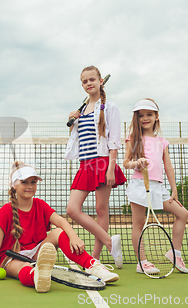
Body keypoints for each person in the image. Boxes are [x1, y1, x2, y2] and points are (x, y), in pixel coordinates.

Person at [0, 161, 119, 292]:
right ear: (14, 185)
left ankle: (93, 267)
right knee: (24, 268)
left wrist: (73, 237)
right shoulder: (5, 211)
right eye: (24, 182)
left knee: (59, 232)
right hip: (10, 258)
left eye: (33, 182)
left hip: (36, 252)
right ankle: (37, 277)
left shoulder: (40, 205)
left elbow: (61, 221)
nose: (30, 186)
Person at [64, 65, 126, 268]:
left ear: (101, 81)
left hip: (102, 163)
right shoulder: (80, 111)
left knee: (101, 210)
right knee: (72, 209)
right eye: (84, 81)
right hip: (85, 164)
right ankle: (110, 241)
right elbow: (77, 140)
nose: (88, 83)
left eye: (92, 79)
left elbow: (114, 141)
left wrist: (110, 168)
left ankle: (95, 259)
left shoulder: (110, 107)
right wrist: (73, 122)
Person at [123, 98, 188, 274]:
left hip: (159, 188)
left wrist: (174, 190)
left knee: (183, 214)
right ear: (136, 118)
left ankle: (175, 254)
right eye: (141, 115)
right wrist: (137, 162)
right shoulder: (133, 139)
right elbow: (125, 163)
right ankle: (142, 262)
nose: (145, 118)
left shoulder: (162, 141)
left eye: (149, 115)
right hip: (139, 185)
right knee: (138, 223)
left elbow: (168, 166)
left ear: (156, 117)